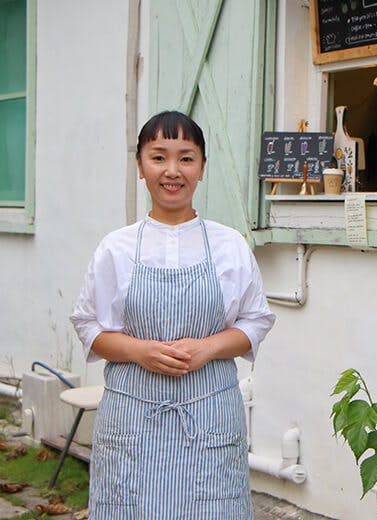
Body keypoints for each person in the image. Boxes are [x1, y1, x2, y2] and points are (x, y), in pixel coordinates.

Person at [70, 111, 276, 519]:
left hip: (209, 415)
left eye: (186, 158)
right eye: (159, 157)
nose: (172, 171)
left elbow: (256, 320)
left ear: (202, 168)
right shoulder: (116, 247)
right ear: (141, 166)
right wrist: (138, 351)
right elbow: (88, 324)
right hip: (132, 420)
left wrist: (209, 348)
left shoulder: (229, 245)